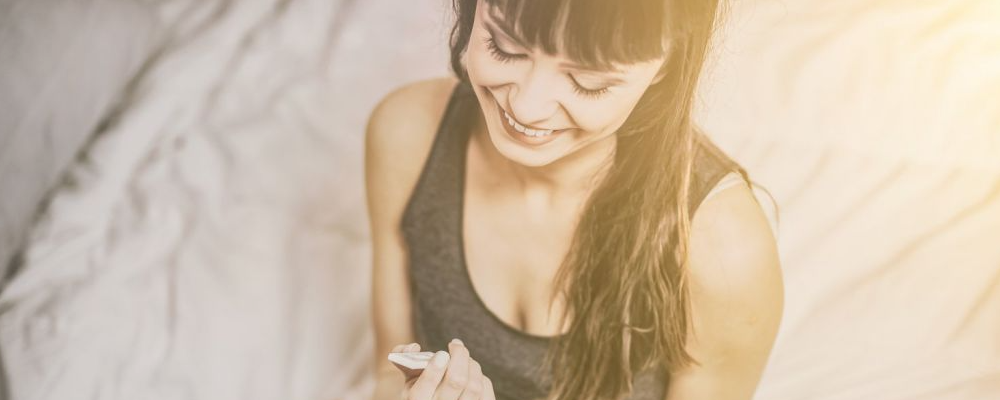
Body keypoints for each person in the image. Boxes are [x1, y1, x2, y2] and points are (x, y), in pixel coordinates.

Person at [364, 0, 784, 399]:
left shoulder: (722, 249)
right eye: (504, 46)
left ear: (666, 64)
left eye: (588, 82)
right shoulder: (410, 136)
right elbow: (389, 372)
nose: (527, 107)